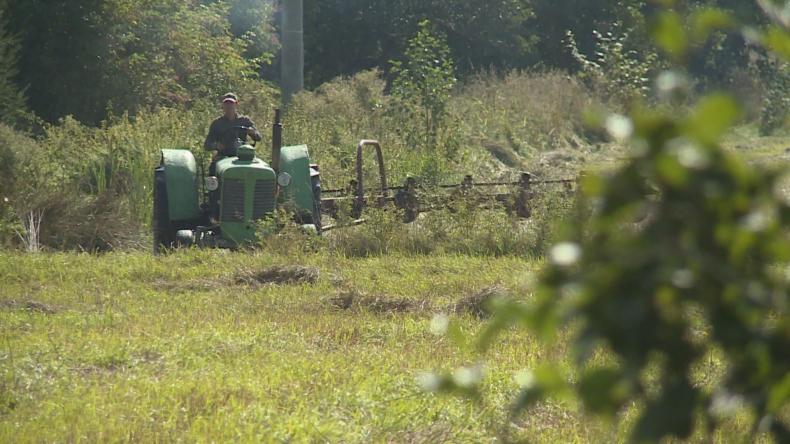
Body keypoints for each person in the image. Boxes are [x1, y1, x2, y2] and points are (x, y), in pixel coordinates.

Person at [204, 93, 262, 165]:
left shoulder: (244, 121)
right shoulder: (217, 123)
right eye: (226, 103)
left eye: (231, 103)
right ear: (223, 106)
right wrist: (216, 145)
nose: (229, 106)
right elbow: (207, 144)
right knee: (213, 167)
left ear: (236, 104)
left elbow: (258, 137)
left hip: (242, 156)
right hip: (223, 156)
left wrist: (252, 132)